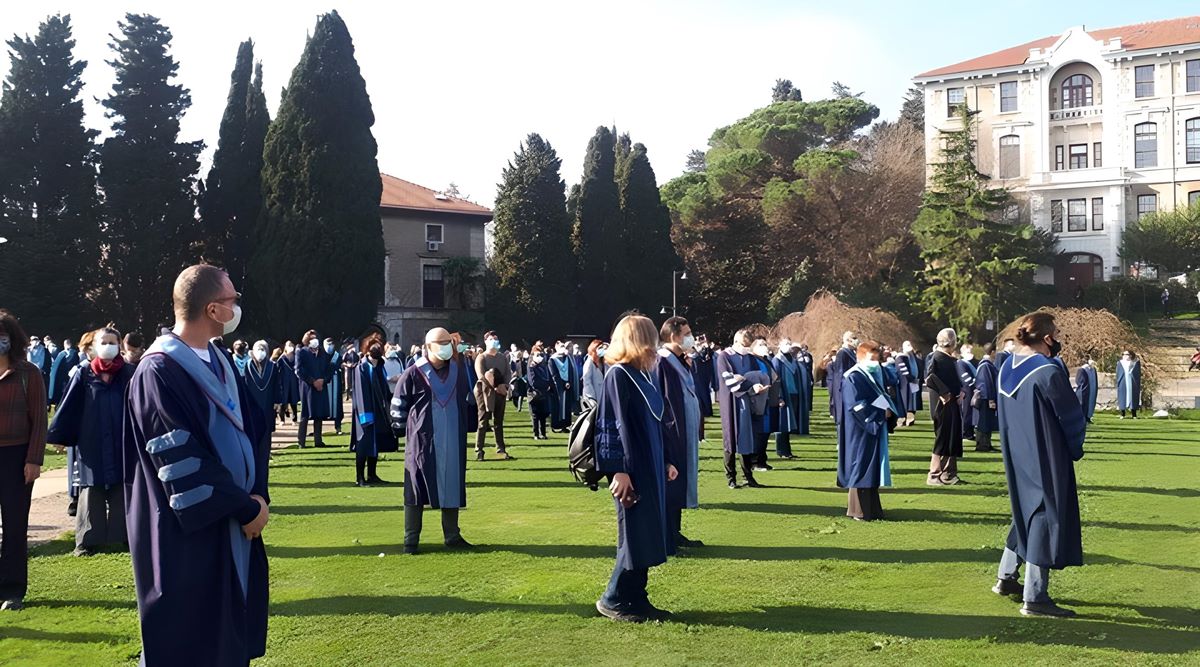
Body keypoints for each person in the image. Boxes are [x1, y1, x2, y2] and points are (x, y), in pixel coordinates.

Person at [123, 264, 270, 663]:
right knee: (193, 639)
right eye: (232, 299)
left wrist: (258, 495)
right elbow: (180, 457)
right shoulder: (159, 370)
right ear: (212, 310)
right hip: (189, 529)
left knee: (228, 637)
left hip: (235, 519)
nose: (237, 306)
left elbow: (255, 429)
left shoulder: (220, 362)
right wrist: (244, 506)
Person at [992, 312, 1086, 617]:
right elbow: (1071, 417)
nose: (1057, 338)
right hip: (1046, 453)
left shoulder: (1006, 367)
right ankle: (1035, 596)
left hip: (1017, 453)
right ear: (1046, 338)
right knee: (1045, 515)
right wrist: (1074, 448)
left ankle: (1006, 577)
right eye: (1056, 333)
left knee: (1026, 509)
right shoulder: (1047, 372)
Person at [595, 314, 677, 623]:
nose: (655, 345)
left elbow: (657, 424)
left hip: (651, 466)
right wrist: (617, 470)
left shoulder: (644, 375)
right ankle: (614, 598)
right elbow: (609, 426)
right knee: (633, 535)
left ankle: (637, 598)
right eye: (651, 338)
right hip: (631, 468)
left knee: (646, 533)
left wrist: (667, 460)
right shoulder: (618, 375)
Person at [389, 327, 476, 555]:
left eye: (448, 342)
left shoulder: (458, 372)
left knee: (452, 485)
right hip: (422, 442)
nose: (446, 347)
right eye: (441, 343)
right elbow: (398, 406)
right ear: (428, 347)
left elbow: (468, 401)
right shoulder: (414, 373)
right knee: (417, 488)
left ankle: (452, 535)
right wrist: (399, 429)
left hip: (452, 439)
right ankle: (411, 539)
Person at [48, 325, 132, 556]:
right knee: (90, 488)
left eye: (112, 342)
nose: (107, 346)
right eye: (103, 342)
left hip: (122, 437)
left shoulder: (130, 374)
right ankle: (86, 540)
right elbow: (70, 406)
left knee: (121, 486)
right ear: (93, 347)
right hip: (92, 437)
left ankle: (124, 536)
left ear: (120, 346)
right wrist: (60, 435)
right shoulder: (83, 373)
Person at [0, 311, 47, 611]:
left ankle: (13, 590)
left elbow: (40, 421)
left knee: (15, 526)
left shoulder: (29, 374)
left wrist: (33, 460)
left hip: (17, 458)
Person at [837, 340, 895, 521]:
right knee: (860, 465)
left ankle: (873, 509)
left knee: (871, 465)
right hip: (859, 430)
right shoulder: (853, 376)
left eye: (877, 357)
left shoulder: (872, 374)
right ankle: (858, 510)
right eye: (872, 357)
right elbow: (855, 405)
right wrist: (878, 414)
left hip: (872, 428)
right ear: (861, 357)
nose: (875, 361)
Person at [657, 317, 702, 548]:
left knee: (680, 483)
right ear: (674, 335)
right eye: (687, 332)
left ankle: (675, 532)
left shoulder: (679, 360)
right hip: (672, 434)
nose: (690, 337)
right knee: (671, 483)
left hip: (684, 433)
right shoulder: (663, 362)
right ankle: (667, 536)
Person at [715, 330, 767, 489]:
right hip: (731, 401)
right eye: (744, 346)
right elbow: (730, 380)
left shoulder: (749, 358)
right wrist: (747, 382)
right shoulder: (724, 356)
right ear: (737, 342)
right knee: (730, 438)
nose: (746, 349)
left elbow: (753, 377)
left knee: (746, 437)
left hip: (746, 401)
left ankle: (748, 476)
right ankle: (731, 478)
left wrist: (754, 385)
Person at [352, 334, 398, 486]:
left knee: (375, 443)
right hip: (365, 413)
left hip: (379, 410)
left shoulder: (380, 367)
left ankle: (372, 474)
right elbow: (360, 392)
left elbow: (384, 389)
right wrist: (366, 416)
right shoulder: (362, 368)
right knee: (363, 444)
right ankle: (360, 477)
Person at [925, 328, 964, 486]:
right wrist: (945, 393)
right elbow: (929, 377)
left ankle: (949, 473)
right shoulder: (936, 357)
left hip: (952, 404)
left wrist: (959, 391)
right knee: (943, 438)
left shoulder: (948, 359)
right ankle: (934, 474)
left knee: (952, 437)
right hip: (942, 406)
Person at [473, 331, 514, 461]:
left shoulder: (502, 357)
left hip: (500, 392)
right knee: (483, 421)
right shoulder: (482, 357)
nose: (494, 341)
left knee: (498, 421)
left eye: (495, 339)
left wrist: (505, 386)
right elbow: (481, 375)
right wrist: (494, 386)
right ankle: (479, 449)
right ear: (485, 341)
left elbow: (508, 373)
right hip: (484, 392)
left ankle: (501, 448)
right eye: (491, 339)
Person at [772, 338, 811, 459]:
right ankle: (781, 450)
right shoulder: (777, 360)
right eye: (785, 344)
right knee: (781, 424)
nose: (788, 346)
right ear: (779, 345)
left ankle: (787, 451)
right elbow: (775, 380)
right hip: (784, 395)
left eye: (789, 344)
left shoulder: (793, 360)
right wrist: (778, 397)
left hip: (794, 394)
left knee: (789, 425)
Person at [748, 336, 781, 472]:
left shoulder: (767, 361)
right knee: (758, 433)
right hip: (758, 400)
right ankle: (755, 461)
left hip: (769, 400)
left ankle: (762, 459)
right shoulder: (752, 360)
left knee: (766, 432)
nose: (764, 346)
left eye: (765, 344)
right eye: (761, 344)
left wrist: (778, 398)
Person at [244, 340, 281, 458]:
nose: (260, 352)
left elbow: (277, 384)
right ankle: (254, 452)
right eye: (258, 350)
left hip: (268, 402)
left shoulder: (272, 366)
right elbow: (245, 384)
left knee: (266, 429)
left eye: (263, 349)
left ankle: (266, 452)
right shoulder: (248, 365)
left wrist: (277, 400)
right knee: (253, 428)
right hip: (253, 403)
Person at [295, 330, 331, 447]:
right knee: (305, 414)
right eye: (311, 339)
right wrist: (312, 381)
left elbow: (328, 369)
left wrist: (323, 380)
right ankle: (301, 441)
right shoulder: (302, 352)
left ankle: (318, 440)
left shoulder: (322, 353)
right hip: (307, 388)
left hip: (321, 386)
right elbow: (299, 370)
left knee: (319, 414)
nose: (314, 341)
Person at [828, 331, 859, 422]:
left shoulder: (851, 352)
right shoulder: (842, 353)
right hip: (845, 388)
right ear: (847, 340)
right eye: (854, 338)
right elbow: (840, 374)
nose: (856, 340)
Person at [549, 340, 581, 432]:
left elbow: (571, 371)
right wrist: (562, 383)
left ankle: (565, 425)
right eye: (561, 346)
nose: (563, 348)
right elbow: (554, 374)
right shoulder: (553, 359)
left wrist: (569, 382)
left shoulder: (567, 358)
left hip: (568, 386)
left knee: (567, 407)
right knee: (558, 407)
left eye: (564, 346)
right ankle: (556, 426)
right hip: (557, 388)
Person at [973, 343, 999, 452]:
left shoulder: (987, 365)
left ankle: (987, 444)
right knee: (984, 422)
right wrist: (991, 399)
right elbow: (986, 384)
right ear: (992, 352)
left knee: (988, 421)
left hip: (986, 398)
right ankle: (982, 445)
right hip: (985, 399)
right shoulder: (986, 365)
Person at [526, 345, 554, 440]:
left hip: (543, 393)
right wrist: (545, 384)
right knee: (535, 415)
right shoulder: (531, 366)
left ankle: (543, 433)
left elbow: (548, 377)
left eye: (541, 354)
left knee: (543, 415)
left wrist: (547, 384)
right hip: (534, 394)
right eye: (537, 354)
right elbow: (533, 381)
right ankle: (536, 434)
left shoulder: (543, 365)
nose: (540, 357)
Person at [894, 341, 921, 426]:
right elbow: (904, 372)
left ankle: (910, 417)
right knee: (905, 401)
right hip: (905, 383)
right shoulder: (901, 357)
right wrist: (911, 378)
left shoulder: (912, 357)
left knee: (912, 402)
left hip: (913, 383)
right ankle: (903, 418)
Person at [48, 338, 79, 410]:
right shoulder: (63, 354)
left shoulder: (69, 354)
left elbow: (55, 368)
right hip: (65, 377)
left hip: (66, 377)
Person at [323, 337, 345, 435]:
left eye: (331, 344)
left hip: (336, 381)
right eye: (328, 344)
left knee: (337, 405)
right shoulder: (321, 356)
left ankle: (338, 426)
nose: (330, 346)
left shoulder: (337, 356)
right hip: (325, 382)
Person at [957, 344, 978, 442]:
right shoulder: (961, 363)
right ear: (962, 353)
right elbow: (965, 377)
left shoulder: (971, 363)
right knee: (966, 412)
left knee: (970, 411)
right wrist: (974, 382)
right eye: (968, 352)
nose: (970, 354)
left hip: (972, 389)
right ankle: (965, 432)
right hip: (967, 390)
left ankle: (970, 432)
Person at [276, 341, 300, 424]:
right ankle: (282, 420)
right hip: (284, 382)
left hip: (293, 382)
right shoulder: (282, 358)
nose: (290, 347)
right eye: (288, 345)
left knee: (294, 401)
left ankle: (294, 419)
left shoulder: (296, 357)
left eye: (291, 345)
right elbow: (277, 369)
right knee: (283, 402)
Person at [581, 339, 607, 409]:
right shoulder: (589, 362)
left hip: (603, 395)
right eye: (600, 348)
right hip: (593, 397)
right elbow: (587, 381)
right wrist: (592, 398)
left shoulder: (603, 362)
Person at [1116, 350, 1141, 419]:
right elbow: (1118, 373)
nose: (1125, 355)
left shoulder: (1135, 363)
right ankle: (1122, 413)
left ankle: (1134, 414)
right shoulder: (1120, 363)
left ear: (1130, 355)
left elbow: (1137, 373)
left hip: (1132, 383)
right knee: (1123, 397)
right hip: (1123, 382)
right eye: (1123, 354)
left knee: (1133, 397)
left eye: (1127, 354)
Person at [1074, 354, 1099, 423]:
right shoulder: (1082, 369)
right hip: (1084, 390)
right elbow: (1079, 381)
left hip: (1092, 388)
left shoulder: (1093, 369)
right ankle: (1083, 418)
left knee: (1091, 402)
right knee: (1083, 404)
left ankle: (1088, 417)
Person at [508, 346, 529, 412]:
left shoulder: (516, 363)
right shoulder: (522, 363)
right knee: (520, 395)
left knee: (518, 394)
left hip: (518, 379)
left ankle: (518, 407)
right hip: (521, 379)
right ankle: (519, 407)